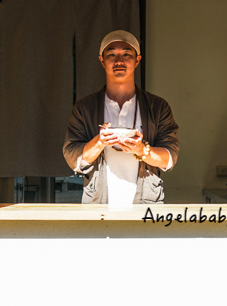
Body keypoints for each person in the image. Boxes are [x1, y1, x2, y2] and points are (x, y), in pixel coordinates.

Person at [63, 30, 179, 205]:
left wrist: (142, 150)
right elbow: (74, 159)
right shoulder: (85, 107)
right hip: (98, 204)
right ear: (102, 60)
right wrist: (99, 141)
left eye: (126, 54)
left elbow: (170, 158)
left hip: (146, 203)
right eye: (111, 54)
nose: (119, 61)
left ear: (137, 60)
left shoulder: (157, 107)